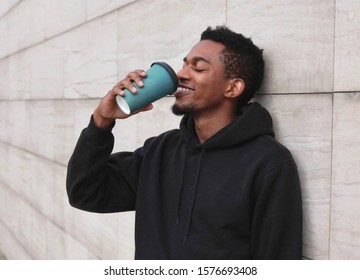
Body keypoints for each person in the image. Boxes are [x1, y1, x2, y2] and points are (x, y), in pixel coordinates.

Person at [66, 26, 302, 260]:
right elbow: (85, 192)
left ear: (232, 88)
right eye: (184, 64)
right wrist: (102, 121)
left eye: (197, 67)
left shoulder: (269, 163)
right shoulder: (160, 152)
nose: (181, 74)